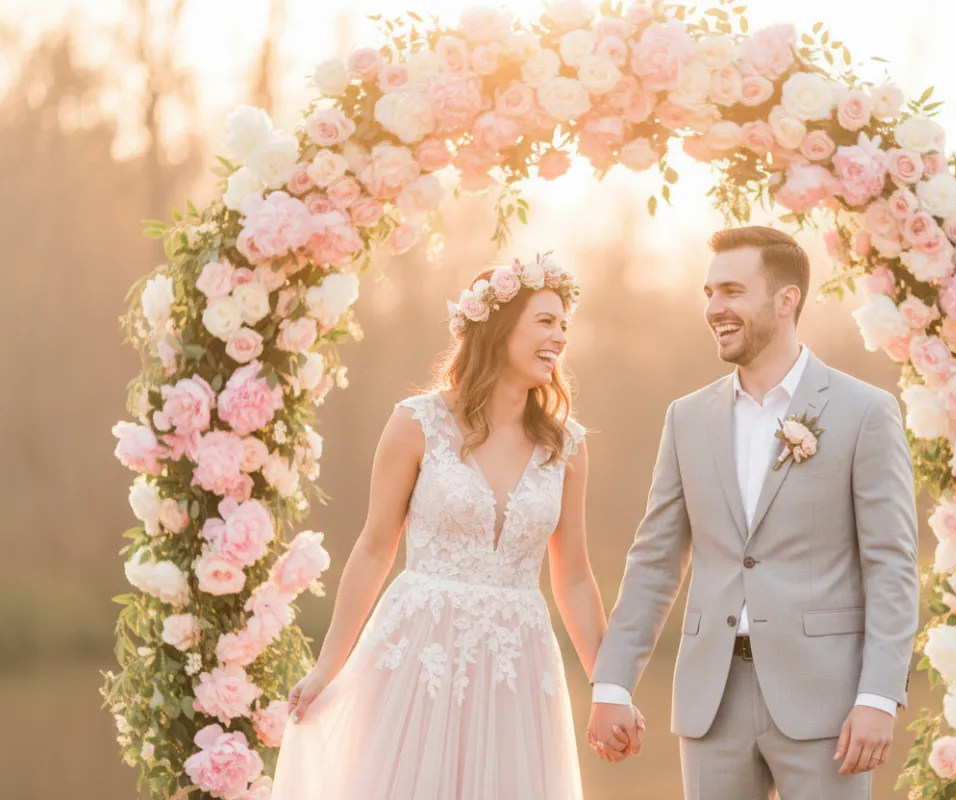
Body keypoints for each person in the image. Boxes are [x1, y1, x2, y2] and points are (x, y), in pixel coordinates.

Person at [271, 254, 641, 799]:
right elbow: (375, 548)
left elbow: (576, 578)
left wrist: (610, 687)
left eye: (564, 325)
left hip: (517, 664)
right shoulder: (417, 423)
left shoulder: (567, 447)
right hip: (421, 654)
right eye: (545, 321)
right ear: (497, 327)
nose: (560, 336)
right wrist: (328, 666)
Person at [587, 226, 920, 799]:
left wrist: (878, 695)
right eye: (710, 292)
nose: (715, 308)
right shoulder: (686, 418)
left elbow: (891, 565)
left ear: (786, 299)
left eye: (733, 291)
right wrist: (612, 685)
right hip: (711, 700)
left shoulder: (865, 412)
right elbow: (655, 561)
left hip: (828, 701)